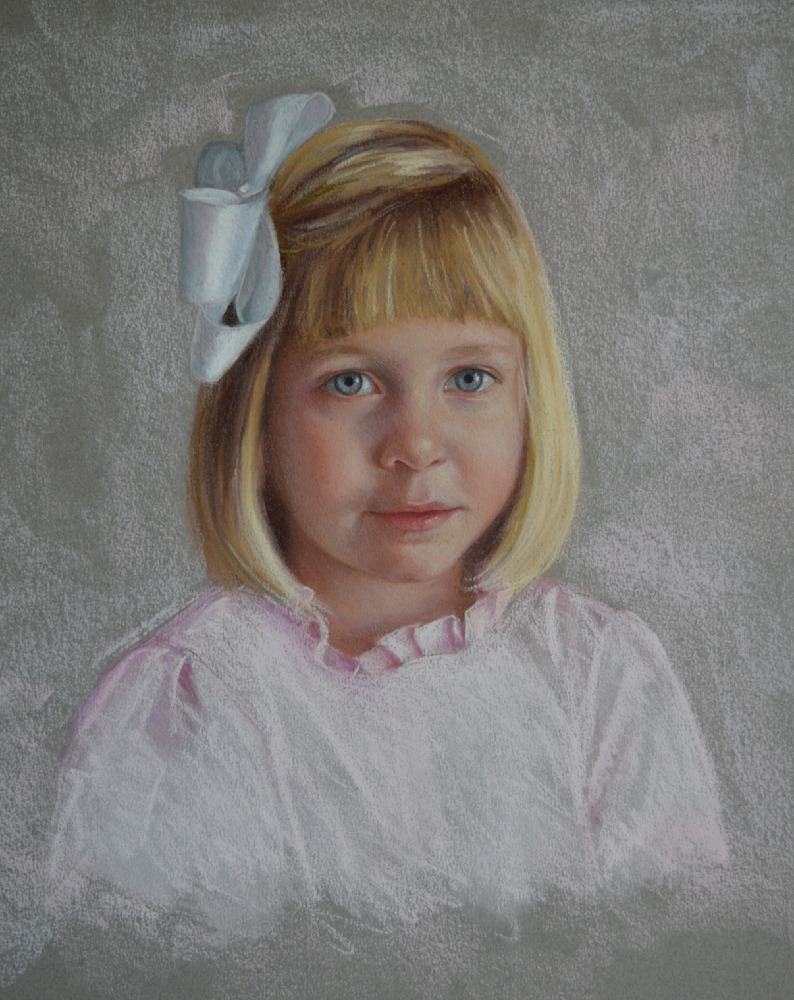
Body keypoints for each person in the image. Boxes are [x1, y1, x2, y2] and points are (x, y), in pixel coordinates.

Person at [49, 93, 728, 937]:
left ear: (531, 399)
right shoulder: (192, 701)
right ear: (254, 417)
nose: (415, 445)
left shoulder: (598, 675)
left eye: (469, 379)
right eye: (351, 382)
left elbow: (676, 954)